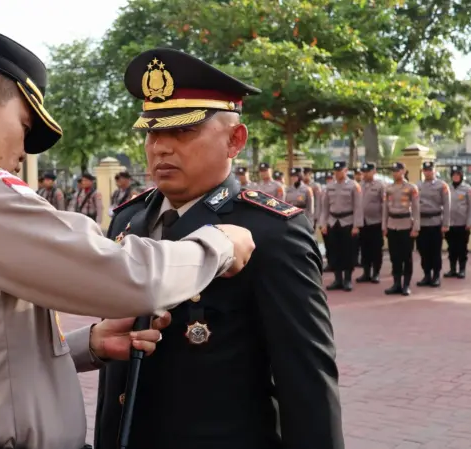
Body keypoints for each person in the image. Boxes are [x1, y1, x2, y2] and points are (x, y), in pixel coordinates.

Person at [0, 26, 257, 449]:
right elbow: (131, 277)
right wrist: (218, 245)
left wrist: (90, 345)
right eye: (23, 126)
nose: (22, 153)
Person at [94, 48, 343, 449]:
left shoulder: (271, 231)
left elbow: (307, 379)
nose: (161, 148)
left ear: (234, 140)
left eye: (183, 131)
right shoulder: (128, 220)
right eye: (153, 133)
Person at [320, 160, 363, 291]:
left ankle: (347, 279)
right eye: (336, 171)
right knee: (334, 251)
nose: (337, 173)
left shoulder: (353, 186)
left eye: (340, 171)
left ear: (346, 171)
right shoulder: (329, 186)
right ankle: (337, 279)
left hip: (348, 221)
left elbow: (358, 207)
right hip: (333, 221)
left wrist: (356, 225)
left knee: (348, 252)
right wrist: (323, 223)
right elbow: (325, 207)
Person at [383, 162, 420, 296]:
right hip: (392, 225)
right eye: (393, 171)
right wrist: (384, 226)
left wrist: (416, 227)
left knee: (406, 257)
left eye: (397, 170)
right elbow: (385, 209)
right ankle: (396, 283)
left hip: (406, 225)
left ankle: (406, 285)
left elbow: (416, 208)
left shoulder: (411, 188)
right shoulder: (388, 188)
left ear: (403, 171)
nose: (395, 173)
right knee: (395, 257)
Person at [416, 161, 451, 287]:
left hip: (436, 222)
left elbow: (447, 205)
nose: (427, 172)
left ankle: (436, 276)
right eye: (425, 170)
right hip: (421, 223)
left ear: (434, 171)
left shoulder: (442, 185)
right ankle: (426, 275)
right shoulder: (418, 185)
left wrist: (446, 224)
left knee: (435, 251)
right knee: (423, 250)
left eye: (430, 170)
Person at [444, 165, 471, 279]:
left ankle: (462, 270)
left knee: (462, 248)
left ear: (461, 176)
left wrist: (470, 222)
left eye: (458, 175)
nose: (455, 177)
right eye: (454, 175)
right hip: (450, 224)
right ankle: (452, 269)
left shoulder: (467, 189)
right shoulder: (447, 188)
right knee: (451, 248)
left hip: (462, 224)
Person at [356, 162, 386, 283]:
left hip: (376, 222)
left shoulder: (380, 185)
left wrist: (384, 223)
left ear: (374, 171)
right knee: (364, 248)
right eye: (363, 172)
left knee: (376, 249)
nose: (365, 174)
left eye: (367, 172)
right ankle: (366, 272)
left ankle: (376, 273)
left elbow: (384, 205)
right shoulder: (359, 185)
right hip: (363, 222)